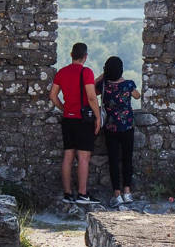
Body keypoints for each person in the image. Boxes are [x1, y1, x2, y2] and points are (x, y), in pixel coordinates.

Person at [49, 42, 101, 204]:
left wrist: (64, 108)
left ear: (71, 55)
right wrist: (98, 117)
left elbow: (53, 96)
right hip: (83, 120)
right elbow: (92, 97)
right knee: (83, 157)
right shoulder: (86, 72)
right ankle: (82, 194)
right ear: (85, 57)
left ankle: (67, 194)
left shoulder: (62, 72)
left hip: (68, 119)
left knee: (68, 156)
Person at [96, 56, 141, 208]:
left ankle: (117, 195)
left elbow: (91, 88)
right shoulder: (128, 84)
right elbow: (137, 95)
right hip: (127, 126)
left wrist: (104, 74)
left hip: (111, 127)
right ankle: (127, 192)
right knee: (127, 158)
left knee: (114, 161)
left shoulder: (104, 85)